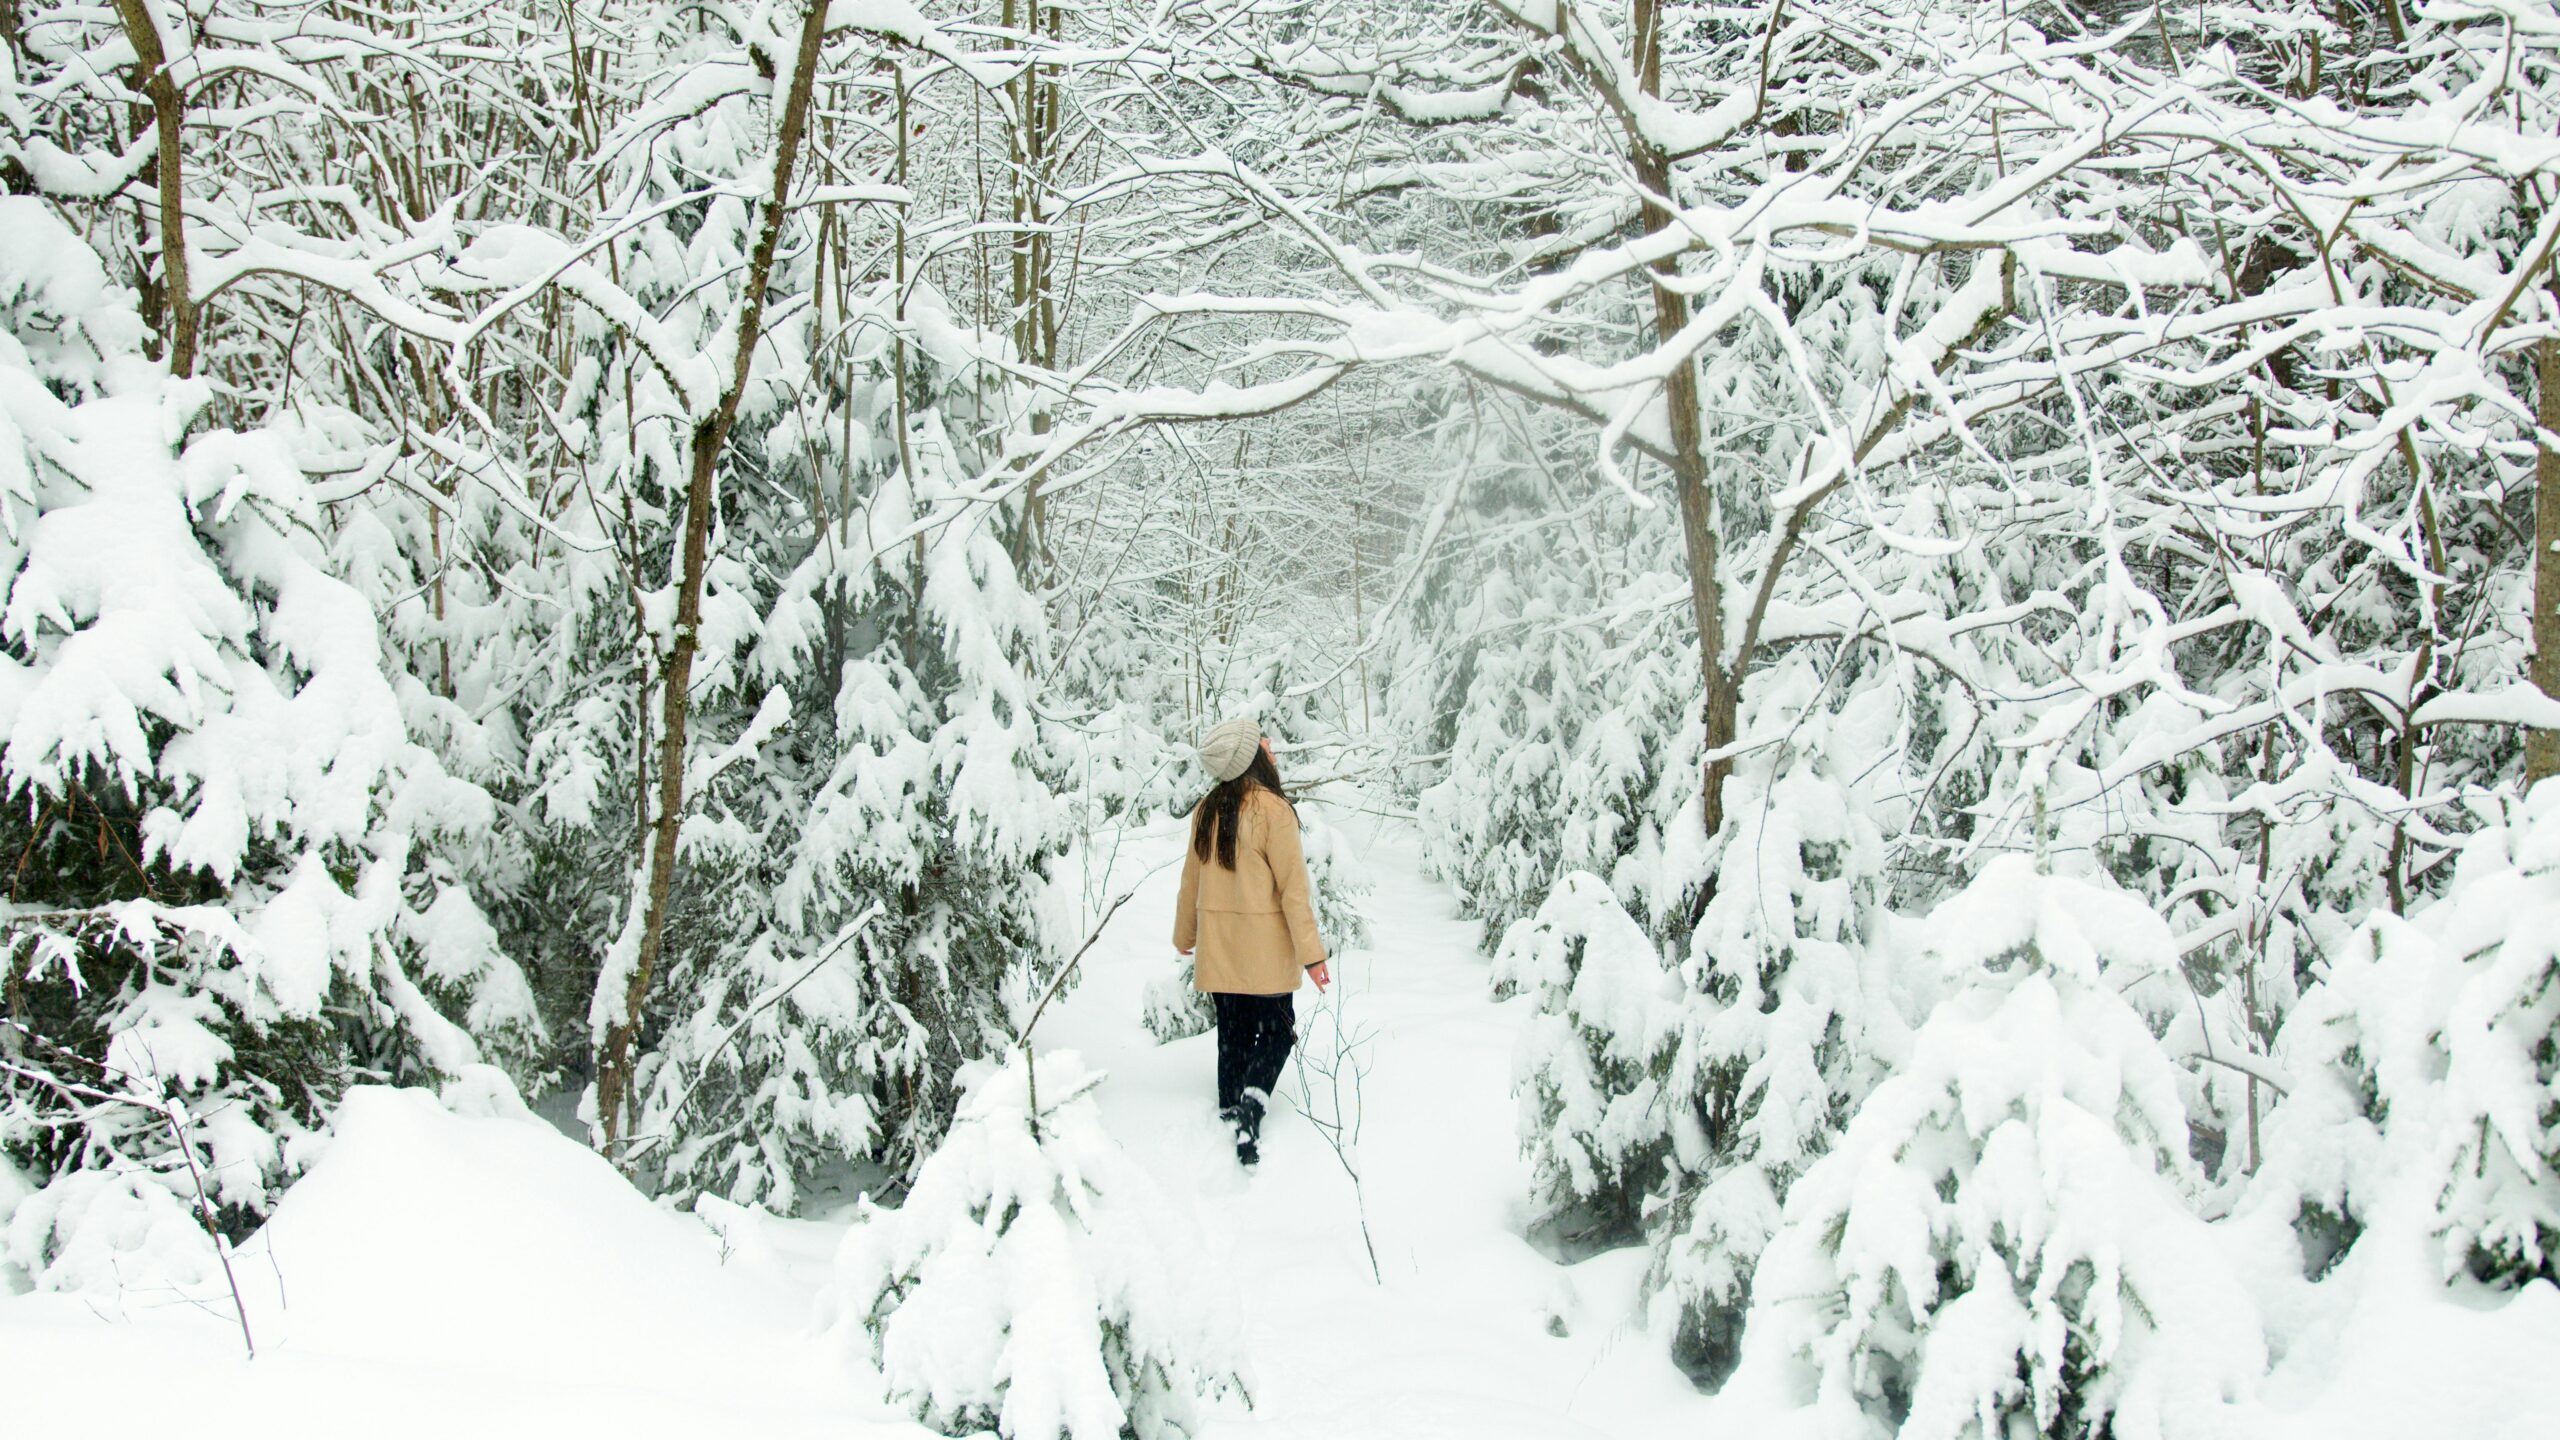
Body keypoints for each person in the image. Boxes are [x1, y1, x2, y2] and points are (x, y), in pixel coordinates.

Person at [1173, 717, 1330, 1167]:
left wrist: (1186, 935)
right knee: (1279, 1032)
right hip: (1265, 954)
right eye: (1263, 740)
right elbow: (1294, 891)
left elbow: (1190, 883)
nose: (1270, 745)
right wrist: (1312, 956)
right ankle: (1253, 1105)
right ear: (1250, 756)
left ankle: (1230, 1106)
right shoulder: (1273, 811)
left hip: (1220, 951)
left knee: (1234, 1033)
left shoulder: (1207, 809)